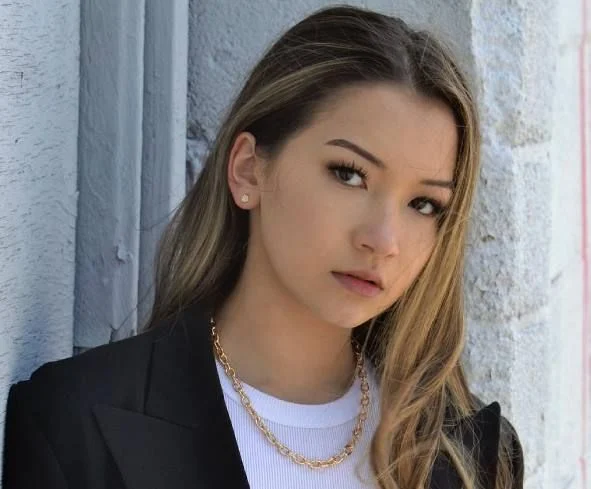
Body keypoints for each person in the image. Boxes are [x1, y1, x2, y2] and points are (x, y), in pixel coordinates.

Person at [2, 5, 523, 489]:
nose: (383, 241)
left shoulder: (468, 455)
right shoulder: (78, 425)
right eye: (349, 174)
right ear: (249, 169)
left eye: (424, 204)